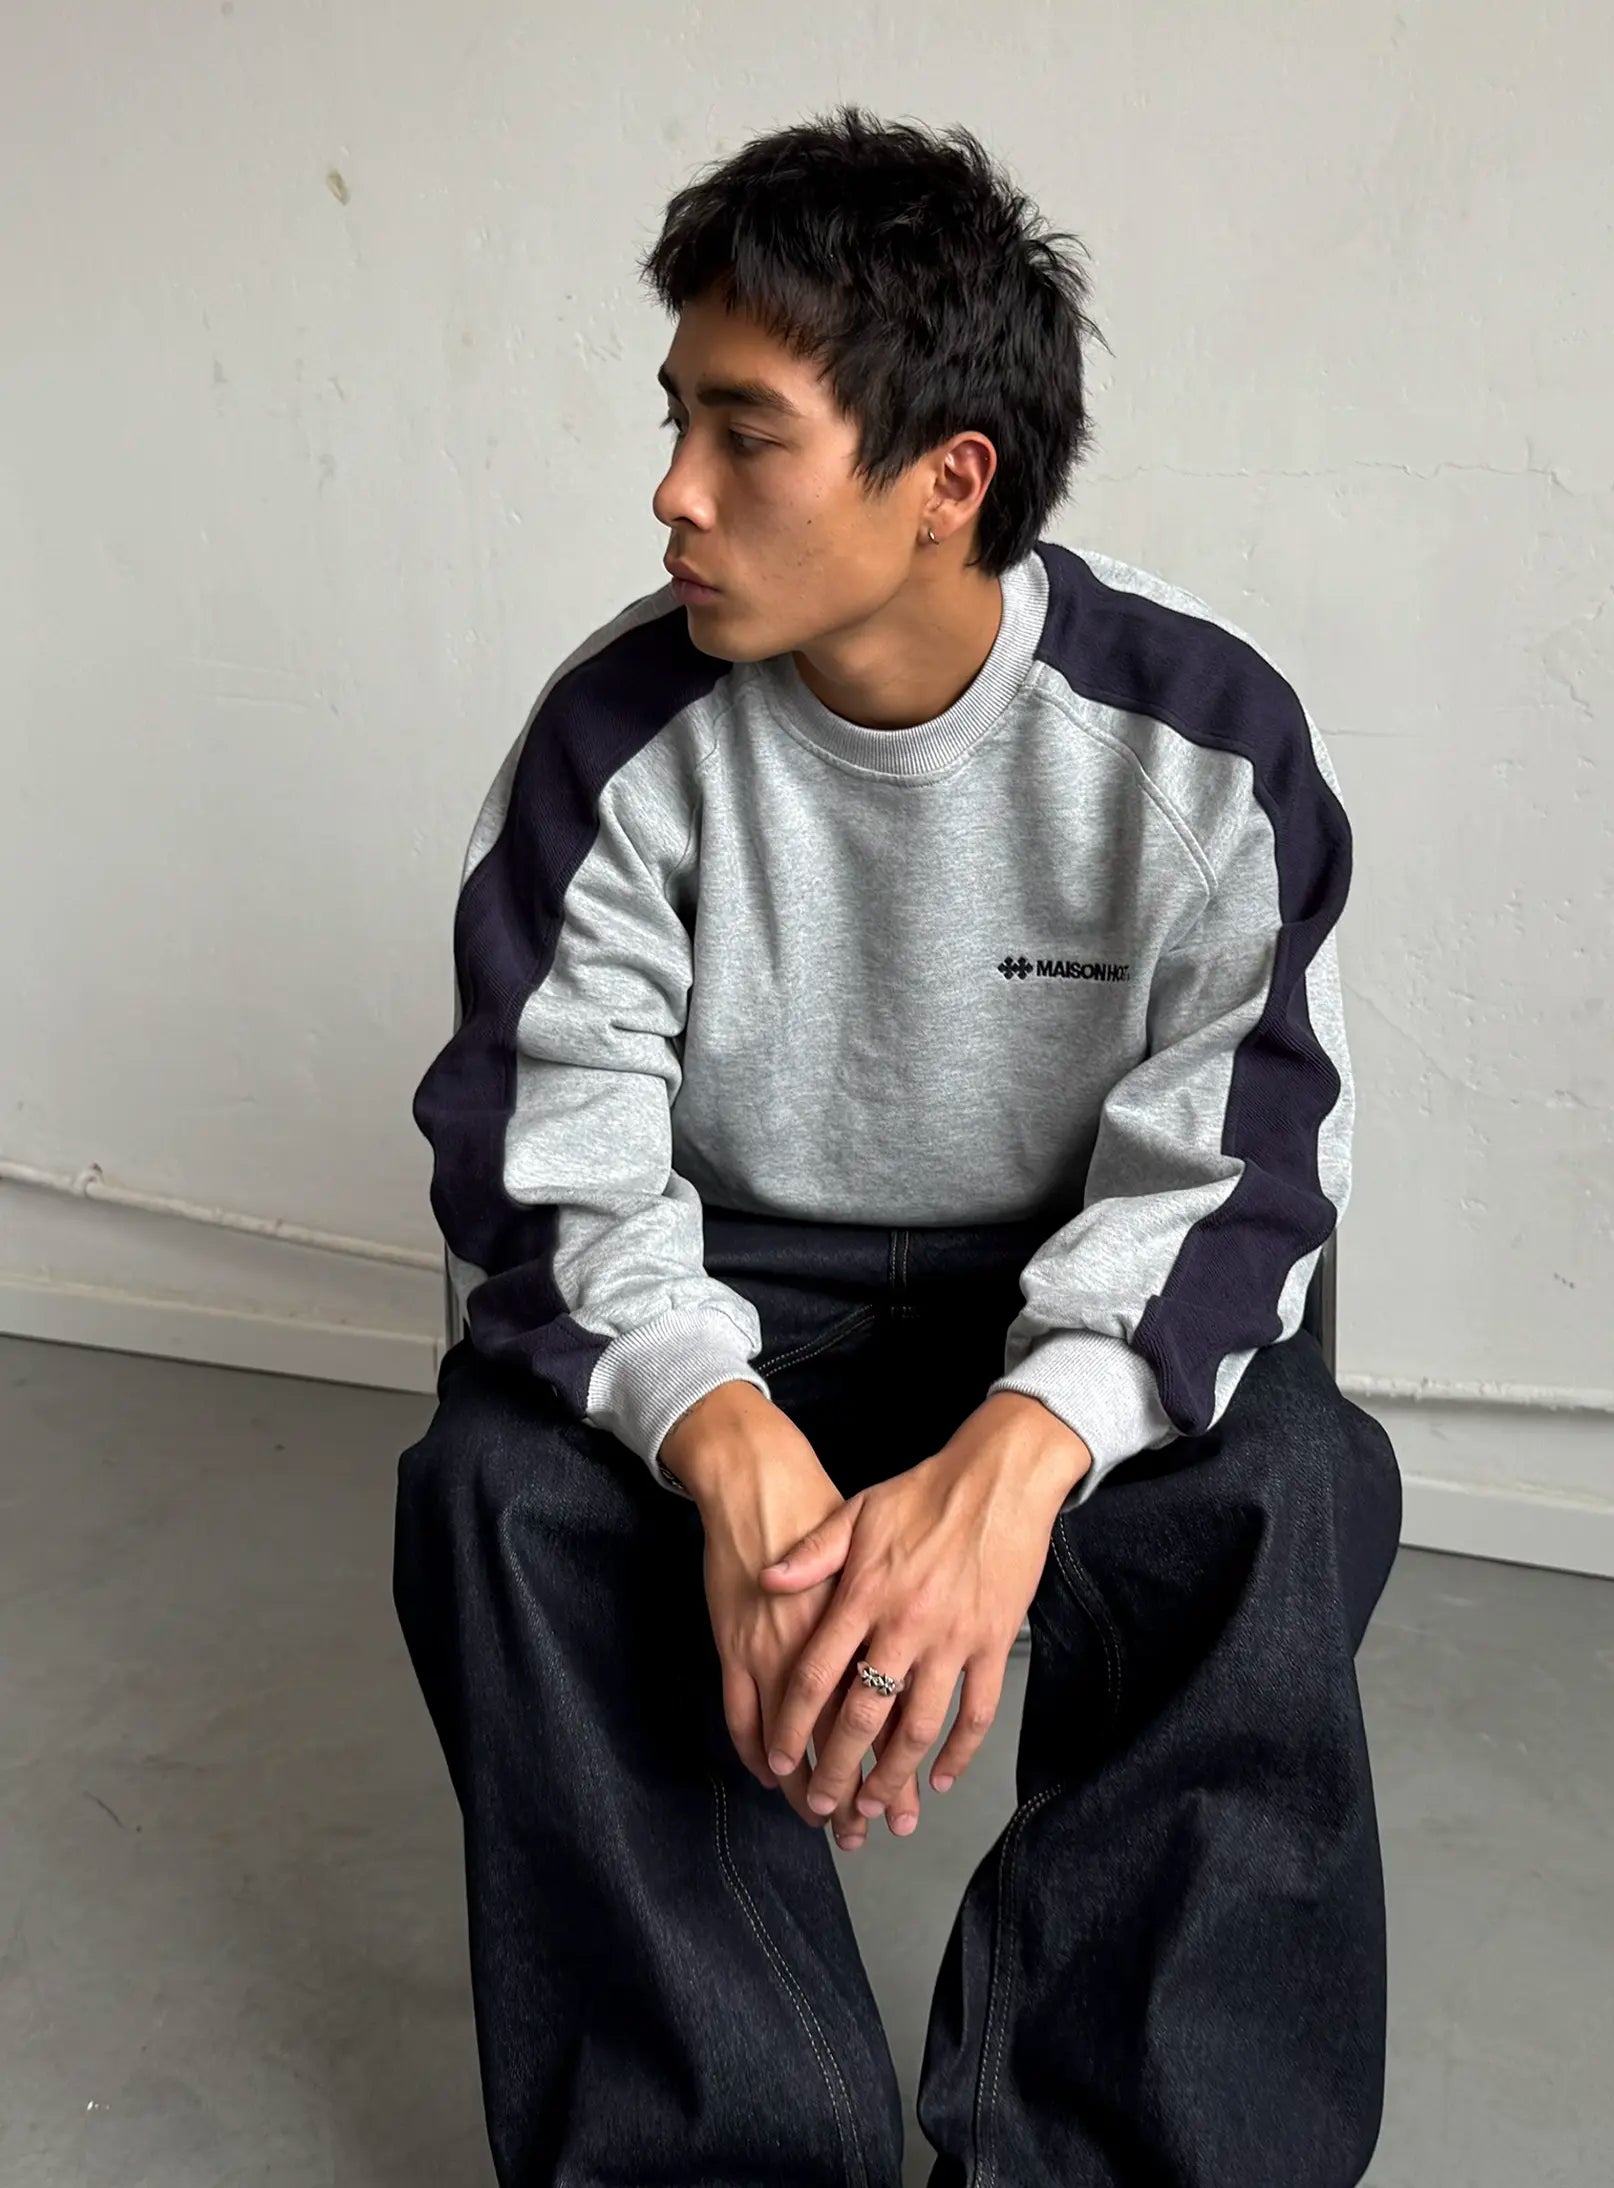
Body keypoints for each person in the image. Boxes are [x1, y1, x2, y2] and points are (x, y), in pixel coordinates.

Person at [392, 103, 1404, 2188]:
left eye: (742, 433)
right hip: (741, 1277)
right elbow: (538, 1148)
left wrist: (1018, 1456)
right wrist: (729, 1442)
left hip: (1070, 1275)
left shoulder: (1201, 734)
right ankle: (721, 2150)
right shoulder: (613, 740)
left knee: (1282, 1486)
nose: (671, 491)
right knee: (500, 1490)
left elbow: (1248, 1168)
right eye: (674, 416)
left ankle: (1109, 2154)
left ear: (947, 480)